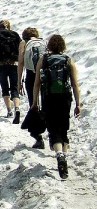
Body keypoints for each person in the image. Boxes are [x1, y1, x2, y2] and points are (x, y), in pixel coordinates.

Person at [32, 34, 80, 179]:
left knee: (53, 128)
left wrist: (35, 102)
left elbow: (36, 83)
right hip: (65, 97)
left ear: (49, 46)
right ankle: (64, 155)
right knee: (63, 126)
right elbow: (75, 84)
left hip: (48, 97)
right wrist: (78, 104)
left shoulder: (43, 59)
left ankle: (59, 155)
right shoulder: (68, 60)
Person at [18, 27, 46, 148]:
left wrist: (19, 81)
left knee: (34, 104)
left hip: (31, 75)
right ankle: (52, 133)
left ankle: (38, 136)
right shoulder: (44, 42)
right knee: (46, 103)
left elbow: (20, 62)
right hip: (45, 75)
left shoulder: (24, 43)